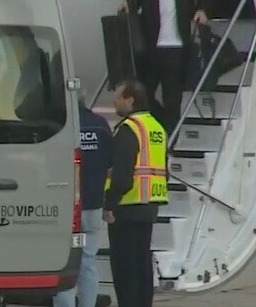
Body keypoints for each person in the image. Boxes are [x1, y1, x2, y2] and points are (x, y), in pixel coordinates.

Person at [128, 0, 208, 134]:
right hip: (152, 46)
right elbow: (133, 5)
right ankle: (162, 124)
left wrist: (202, 9)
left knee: (173, 98)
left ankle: (171, 136)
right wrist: (126, 6)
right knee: (142, 95)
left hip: (177, 45)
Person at [104, 79, 169, 307]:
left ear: (130, 100)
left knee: (125, 268)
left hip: (128, 207)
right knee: (142, 264)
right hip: (150, 205)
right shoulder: (156, 128)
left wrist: (110, 204)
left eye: (119, 96)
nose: (114, 100)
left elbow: (122, 174)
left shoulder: (128, 129)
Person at [53, 95, 113, 307]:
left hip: (67, 207)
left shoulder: (60, 126)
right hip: (94, 205)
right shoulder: (101, 125)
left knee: (64, 263)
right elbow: (110, 163)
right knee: (88, 262)